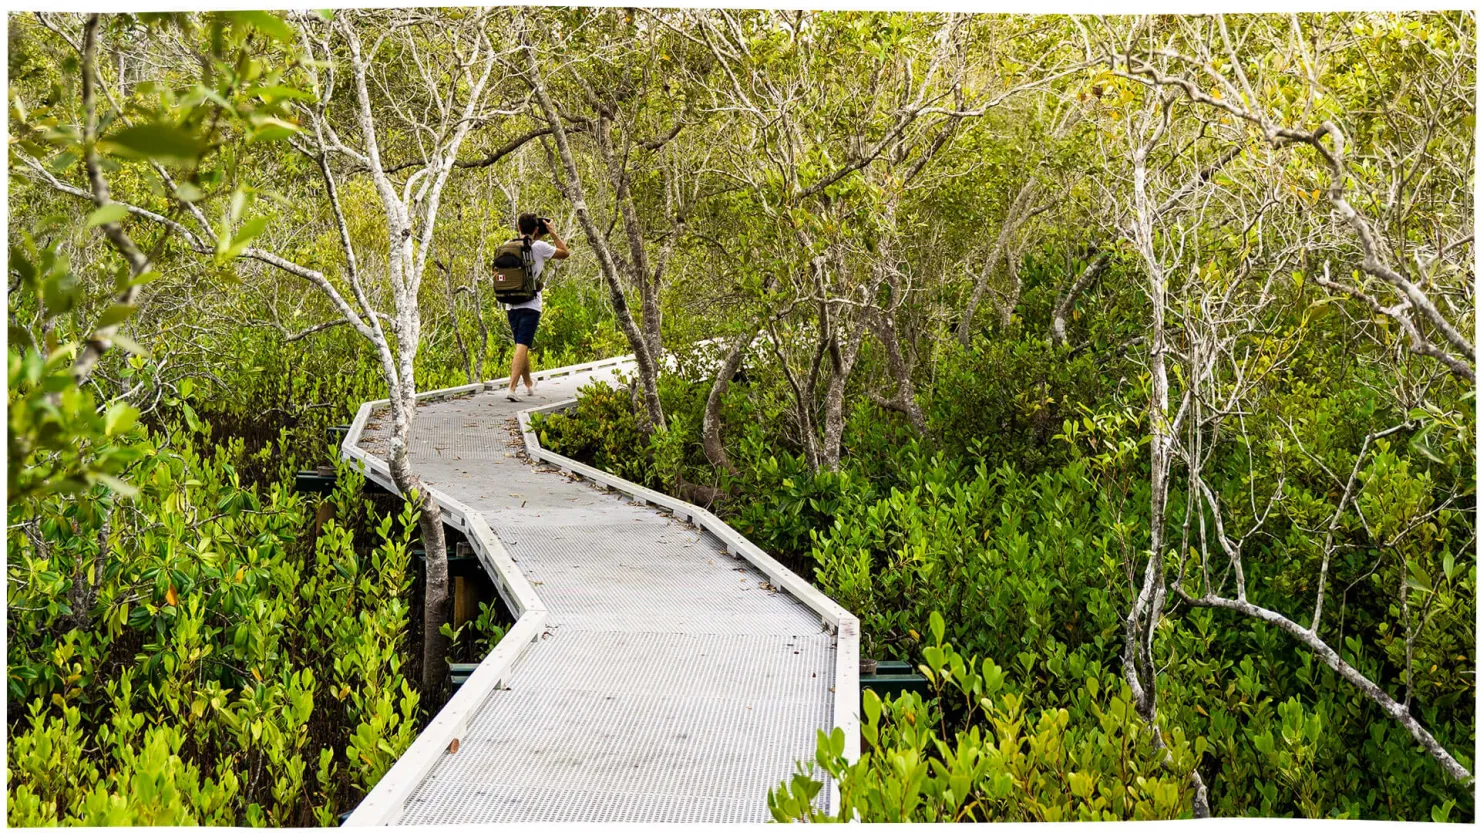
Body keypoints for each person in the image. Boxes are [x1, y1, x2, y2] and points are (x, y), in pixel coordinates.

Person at [502, 213, 568, 401]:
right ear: (537, 229)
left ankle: (529, 384)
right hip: (530, 304)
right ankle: (512, 389)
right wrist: (553, 233)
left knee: (521, 346)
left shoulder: (508, 244)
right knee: (522, 346)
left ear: (519, 226)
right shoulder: (540, 247)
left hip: (510, 303)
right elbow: (565, 252)